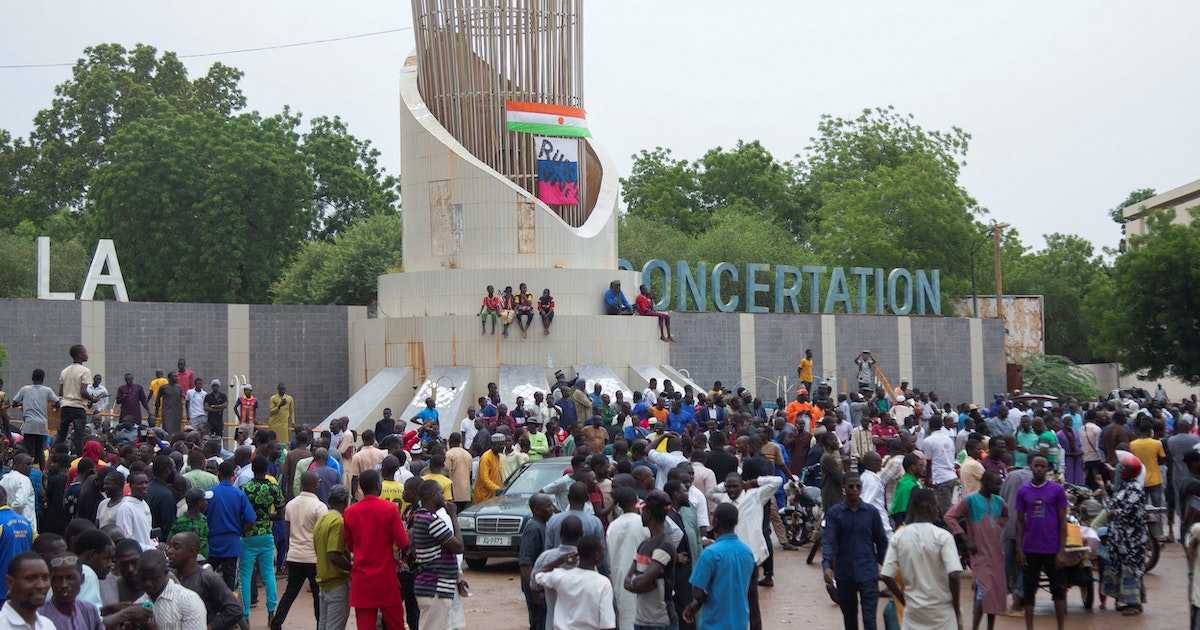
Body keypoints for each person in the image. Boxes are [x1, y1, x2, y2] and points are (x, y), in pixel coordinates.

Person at [706, 472, 781, 630]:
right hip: (728, 557)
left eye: (735, 486)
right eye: (729, 487)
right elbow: (710, 493)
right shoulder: (723, 499)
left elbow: (777, 481)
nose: (731, 490)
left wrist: (754, 481)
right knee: (730, 597)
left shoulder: (755, 496)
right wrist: (724, 486)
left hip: (749, 556)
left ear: (743, 485)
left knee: (751, 596)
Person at [881, 489, 964, 630]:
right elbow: (954, 575)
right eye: (936, 506)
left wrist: (903, 599)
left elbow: (886, 575)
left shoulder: (899, 537)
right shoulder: (943, 536)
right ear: (929, 507)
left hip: (914, 612)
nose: (937, 511)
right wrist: (955, 608)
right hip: (942, 613)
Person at [344, 469, 409, 630]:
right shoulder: (389, 508)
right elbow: (402, 542)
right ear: (377, 486)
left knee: (365, 626)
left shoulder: (349, 512)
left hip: (362, 578)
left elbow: (350, 546)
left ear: (361, 488)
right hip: (386, 577)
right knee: (396, 625)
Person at [823, 473, 889, 630]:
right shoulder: (835, 513)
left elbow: (881, 542)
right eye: (851, 486)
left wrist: (887, 567)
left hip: (868, 573)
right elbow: (829, 541)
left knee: (870, 620)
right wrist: (827, 565)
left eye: (858, 486)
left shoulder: (871, 513)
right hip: (845, 574)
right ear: (844, 488)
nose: (854, 490)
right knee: (850, 619)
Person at [945, 469, 1008, 630]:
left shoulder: (999, 501)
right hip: (980, 552)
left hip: (996, 553)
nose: (1000, 486)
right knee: (984, 592)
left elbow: (1006, 516)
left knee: (993, 592)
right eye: (997, 483)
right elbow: (950, 516)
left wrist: (998, 526)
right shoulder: (970, 500)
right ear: (986, 483)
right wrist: (965, 538)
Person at [1014, 454, 1068, 630]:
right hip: (1031, 548)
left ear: (1047, 469)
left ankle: (1061, 626)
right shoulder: (1023, 491)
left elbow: (1062, 521)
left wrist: (1062, 550)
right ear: (1030, 467)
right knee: (1030, 591)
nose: (1038, 469)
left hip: (1052, 549)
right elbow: (1020, 521)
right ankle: (1030, 627)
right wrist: (1019, 550)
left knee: (1058, 590)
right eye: (1036, 466)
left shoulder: (1057, 490)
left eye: (1042, 466)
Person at [681, 502, 753, 630]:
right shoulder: (747, 552)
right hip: (740, 622)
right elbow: (751, 591)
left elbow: (697, 591)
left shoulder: (710, 553)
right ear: (736, 521)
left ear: (716, 522)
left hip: (714, 623)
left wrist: (698, 603)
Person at [272, 471, 327, 630]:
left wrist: (287, 555)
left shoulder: (291, 504)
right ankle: (320, 625)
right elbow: (321, 535)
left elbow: (288, 533)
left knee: (290, 593)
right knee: (318, 595)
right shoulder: (319, 507)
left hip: (295, 555)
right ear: (315, 485)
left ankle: (276, 623)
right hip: (313, 558)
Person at [534, 533, 616, 630]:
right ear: (596, 556)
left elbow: (538, 574)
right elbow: (607, 625)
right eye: (603, 551)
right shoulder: (603, 584)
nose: (604, 553)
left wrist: (560, 560)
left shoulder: (561, 576)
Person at [412, 479, 464, 629]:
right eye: (441, 493)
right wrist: (454, 516)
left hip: (432, 585)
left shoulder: (421, 517)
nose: (444, 496)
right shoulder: (432, 521)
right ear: (434, 496)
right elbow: (458, 547)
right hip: (435, 587)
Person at [623, 490, 678, 630]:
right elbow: (627, 582)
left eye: (643, 512)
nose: (640, 515)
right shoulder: (644, 545)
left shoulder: (664, 545)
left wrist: (637, 582)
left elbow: (643, 579)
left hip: (661, 622)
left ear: (648, 514)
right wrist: (640, 583)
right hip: (642, 620)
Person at [1102, 454, 1149, 615]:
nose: (1119, 470)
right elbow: (1111, 505)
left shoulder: (1135, 488)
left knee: (1131, 569)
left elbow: (1130, 511)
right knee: (1121, 568)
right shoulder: (1123, 487)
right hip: (1119, 538)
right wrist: (1103, 491)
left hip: (1132, 540)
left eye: (1122, 468)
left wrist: (1114, 512)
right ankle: (1124, 601)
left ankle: (1133, 604)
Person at [239, 456, 283, 624]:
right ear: (267, 470)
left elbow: (241, 513)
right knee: (268, 574)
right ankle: (271, 612)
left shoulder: (245, 488)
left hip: (248, 536)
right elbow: (280, 515)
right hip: (266, 535)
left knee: (245, 576)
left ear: (252, 470)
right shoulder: (274, 488)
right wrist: (265, 516)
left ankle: (246, 616)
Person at [167, 532, 242, 630]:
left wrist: (210, 627)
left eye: (176, 548)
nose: (170, 551)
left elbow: (235, 609)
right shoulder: (169, 577)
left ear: (191, 552)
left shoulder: (207, 578)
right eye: (170, 546)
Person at [206, 461, 256, 593]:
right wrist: (239, 532)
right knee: (230, 581)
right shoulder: (239, 494)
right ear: (233, 475)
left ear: (219, 474)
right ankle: (229, 608)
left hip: (211, 542)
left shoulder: (208, 494)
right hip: (231, 544)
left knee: (207, 577)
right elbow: (251, 520)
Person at [135, 549, 207, 630]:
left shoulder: (188, 601)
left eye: (153, 578)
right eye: (143, 579)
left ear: (166, 573)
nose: (148, 583)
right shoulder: (138, 604)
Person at [314, 484, 352, 630]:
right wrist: (352, 568)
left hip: (324, 582)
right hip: (336, 583)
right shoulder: (337, 522)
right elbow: (333, 555)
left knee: (323, 625)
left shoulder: (322, 520)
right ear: (343, 501)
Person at [38, 551, 103, 630]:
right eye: (56, 579)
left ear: (82, 579)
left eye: (70, 578)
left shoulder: (89, 610)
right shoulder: (39, 616)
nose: (63, 585)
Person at [11, 370, 60, 470]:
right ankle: (42, 470)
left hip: (29, 424)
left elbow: (14, 403)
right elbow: (58, 403)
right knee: (40, 450)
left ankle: (26, 469)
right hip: (42, 425)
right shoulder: (47, 390)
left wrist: (24, 403)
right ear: (43, 379)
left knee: (28, 449)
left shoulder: (25, 389)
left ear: (32, 378)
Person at [520, 494, 555, 630]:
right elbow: (525, 563)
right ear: (536, 509)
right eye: (547, 506)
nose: (552, 509)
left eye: (551, 505)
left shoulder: (543, 526)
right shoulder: (533, 529)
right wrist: (535, 592)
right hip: (536, 590)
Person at [58, 344, 95, 457]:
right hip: (78, 407)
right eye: (85, 352)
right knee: (79, 436)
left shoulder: (64, 371)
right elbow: (83, 391)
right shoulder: (85, 371)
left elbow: (60, 392)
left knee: (61, 435)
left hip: (65, 406)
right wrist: (92, 398)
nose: (87, 354)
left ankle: (54, 457)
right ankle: (79, 459)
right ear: (80, 354)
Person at [2, 551, 53, 629]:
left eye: (45, 578)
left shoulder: (47, 625)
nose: (41, 585)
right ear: (10, 582)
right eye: (31, 578)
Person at [113, 471, 154, 550]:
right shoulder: (126, 508)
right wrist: (148, 548)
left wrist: (155, 544)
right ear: (131, 486)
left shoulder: (144, 504)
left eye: (146, 482)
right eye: (140, 483)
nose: (144, 486)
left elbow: (148, 532)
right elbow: (126, 538)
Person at [2, 453, 38, 535]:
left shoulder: (4, 478)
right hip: (25, 527)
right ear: (17, 464)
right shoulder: (24, 479)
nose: (31, 467)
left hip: (7, 527)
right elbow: (20, 503)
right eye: (28, 464)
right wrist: (9, 513)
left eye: (32, 464)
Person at [474, 434, 506, 503]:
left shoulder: (499, 456)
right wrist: (498, 489)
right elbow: (484, 479)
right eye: (500, 445)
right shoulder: (486, 457)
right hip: (484, 497)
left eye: (503, 444)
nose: (503, 447)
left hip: (495, 496)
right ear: (493, 444)